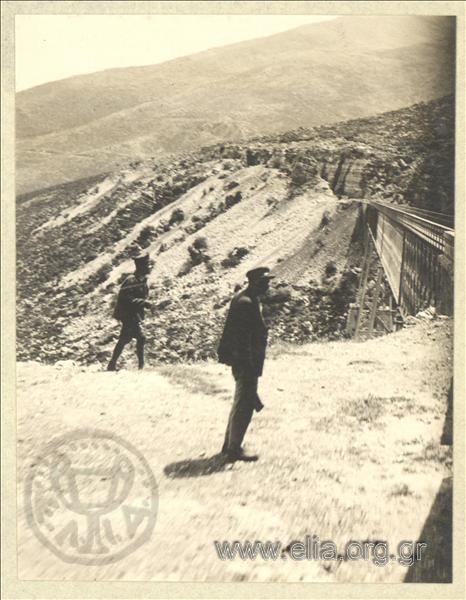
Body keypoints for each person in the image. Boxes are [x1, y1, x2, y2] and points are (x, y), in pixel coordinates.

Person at [217, 267, 274, 462]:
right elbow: (242, 342)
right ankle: (233, 449)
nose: (268, 285)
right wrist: (248, 367)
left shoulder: (247, 299)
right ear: (256, 283)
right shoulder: (246, 303)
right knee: (245, 404)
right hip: (245, 362)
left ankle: (229, 445)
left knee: (241, 401)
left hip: (246, 362)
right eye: (265, 282)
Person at [107, 252, 153, 371]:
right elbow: (127, 299)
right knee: (140, 338)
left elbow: (143, 297)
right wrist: (144, 303)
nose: (149, 267)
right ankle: (141, 366)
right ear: (141, 267)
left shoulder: (142, 281)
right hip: (127, 314)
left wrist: (147, 304)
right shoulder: (131, 281)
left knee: (125, 339)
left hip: (134, 314)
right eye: (147, 265)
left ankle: (112, 364)